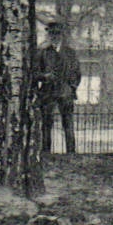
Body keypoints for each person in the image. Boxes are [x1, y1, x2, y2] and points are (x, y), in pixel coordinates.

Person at [33, 21, 81, 154]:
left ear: (62, 35)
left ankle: (71, 153)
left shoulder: (70, 53)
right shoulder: (42, 53)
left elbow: (77, 73)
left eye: (57, 33)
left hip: (65, 93)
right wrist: (45, 76)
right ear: (48, 35)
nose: (55, 36)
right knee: (46, 125)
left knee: (68, 124)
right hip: (48, 93)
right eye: (52, 33)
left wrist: (71, 87)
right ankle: (46, 153)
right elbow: (35, 73)